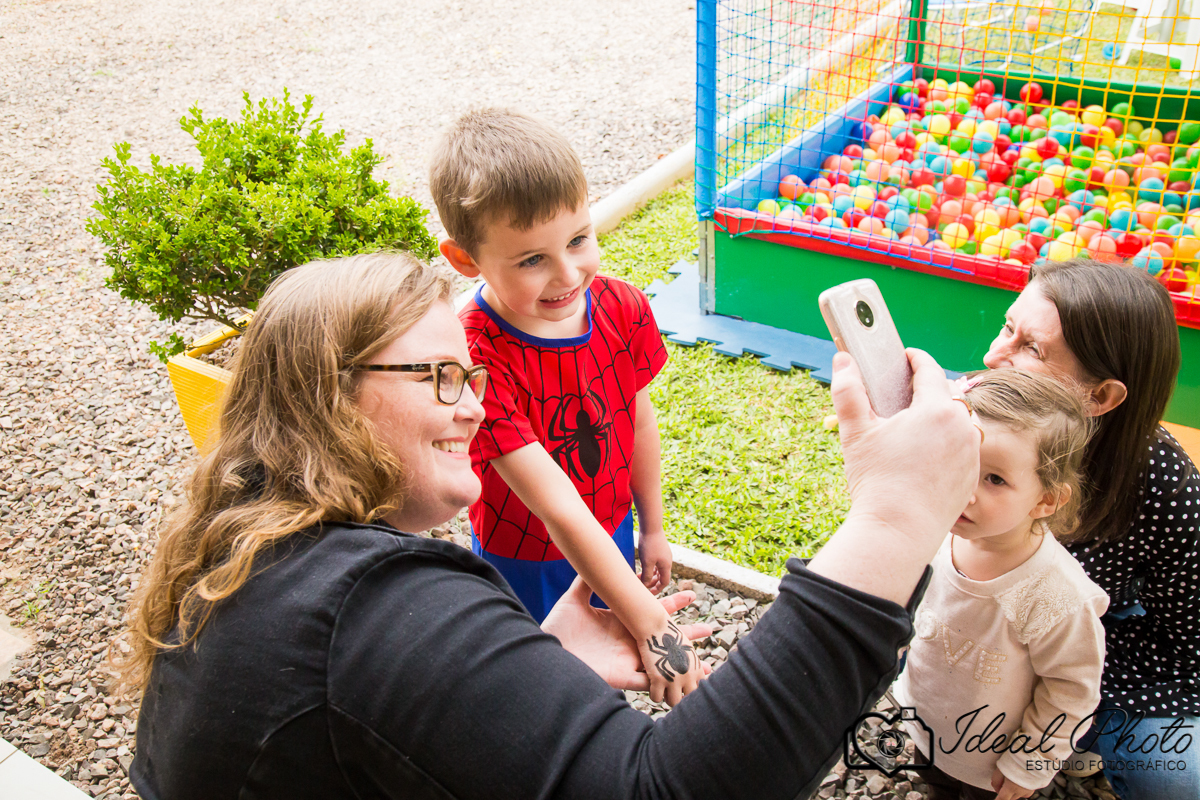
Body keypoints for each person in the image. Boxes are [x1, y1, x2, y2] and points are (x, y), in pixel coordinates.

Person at [123, 252, 984, 800]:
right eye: (443, 378)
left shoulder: (248, 553)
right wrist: (894, 518)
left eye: (475, 377)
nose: (474, 408)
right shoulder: (370, 605)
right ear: (331, 392)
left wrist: (533, 669)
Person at [429, 109, 699, 702]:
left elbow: (637, 419)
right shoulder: (473, 353)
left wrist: (651, 526)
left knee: (604, 657)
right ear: (465, 260)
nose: (568, 273)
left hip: (612, 521)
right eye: (532, 259)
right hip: (524, 549)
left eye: (578, 239)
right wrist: (653, 623)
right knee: (536, 679)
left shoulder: (620, 304)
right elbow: (553, 505)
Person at [981, 258, 1200, 800]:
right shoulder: (971, 422)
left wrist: (1071, 703)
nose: (992, 357)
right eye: (1008, 327)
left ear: (1100, 397)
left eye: (1031, 349)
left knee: (1179, 778)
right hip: (983, 618)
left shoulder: (1167, 489)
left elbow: (1185, 645)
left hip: (1105, 644)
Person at [894, 369, 1108, 800]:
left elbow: (1070, 690)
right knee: (934, 784)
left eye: (995, 479)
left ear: (1047, 500)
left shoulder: (1056, 595)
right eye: (961, 464)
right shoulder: (937, 531)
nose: (967, 491)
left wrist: (1028, 765)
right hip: (927, 726)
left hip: (990, 763)